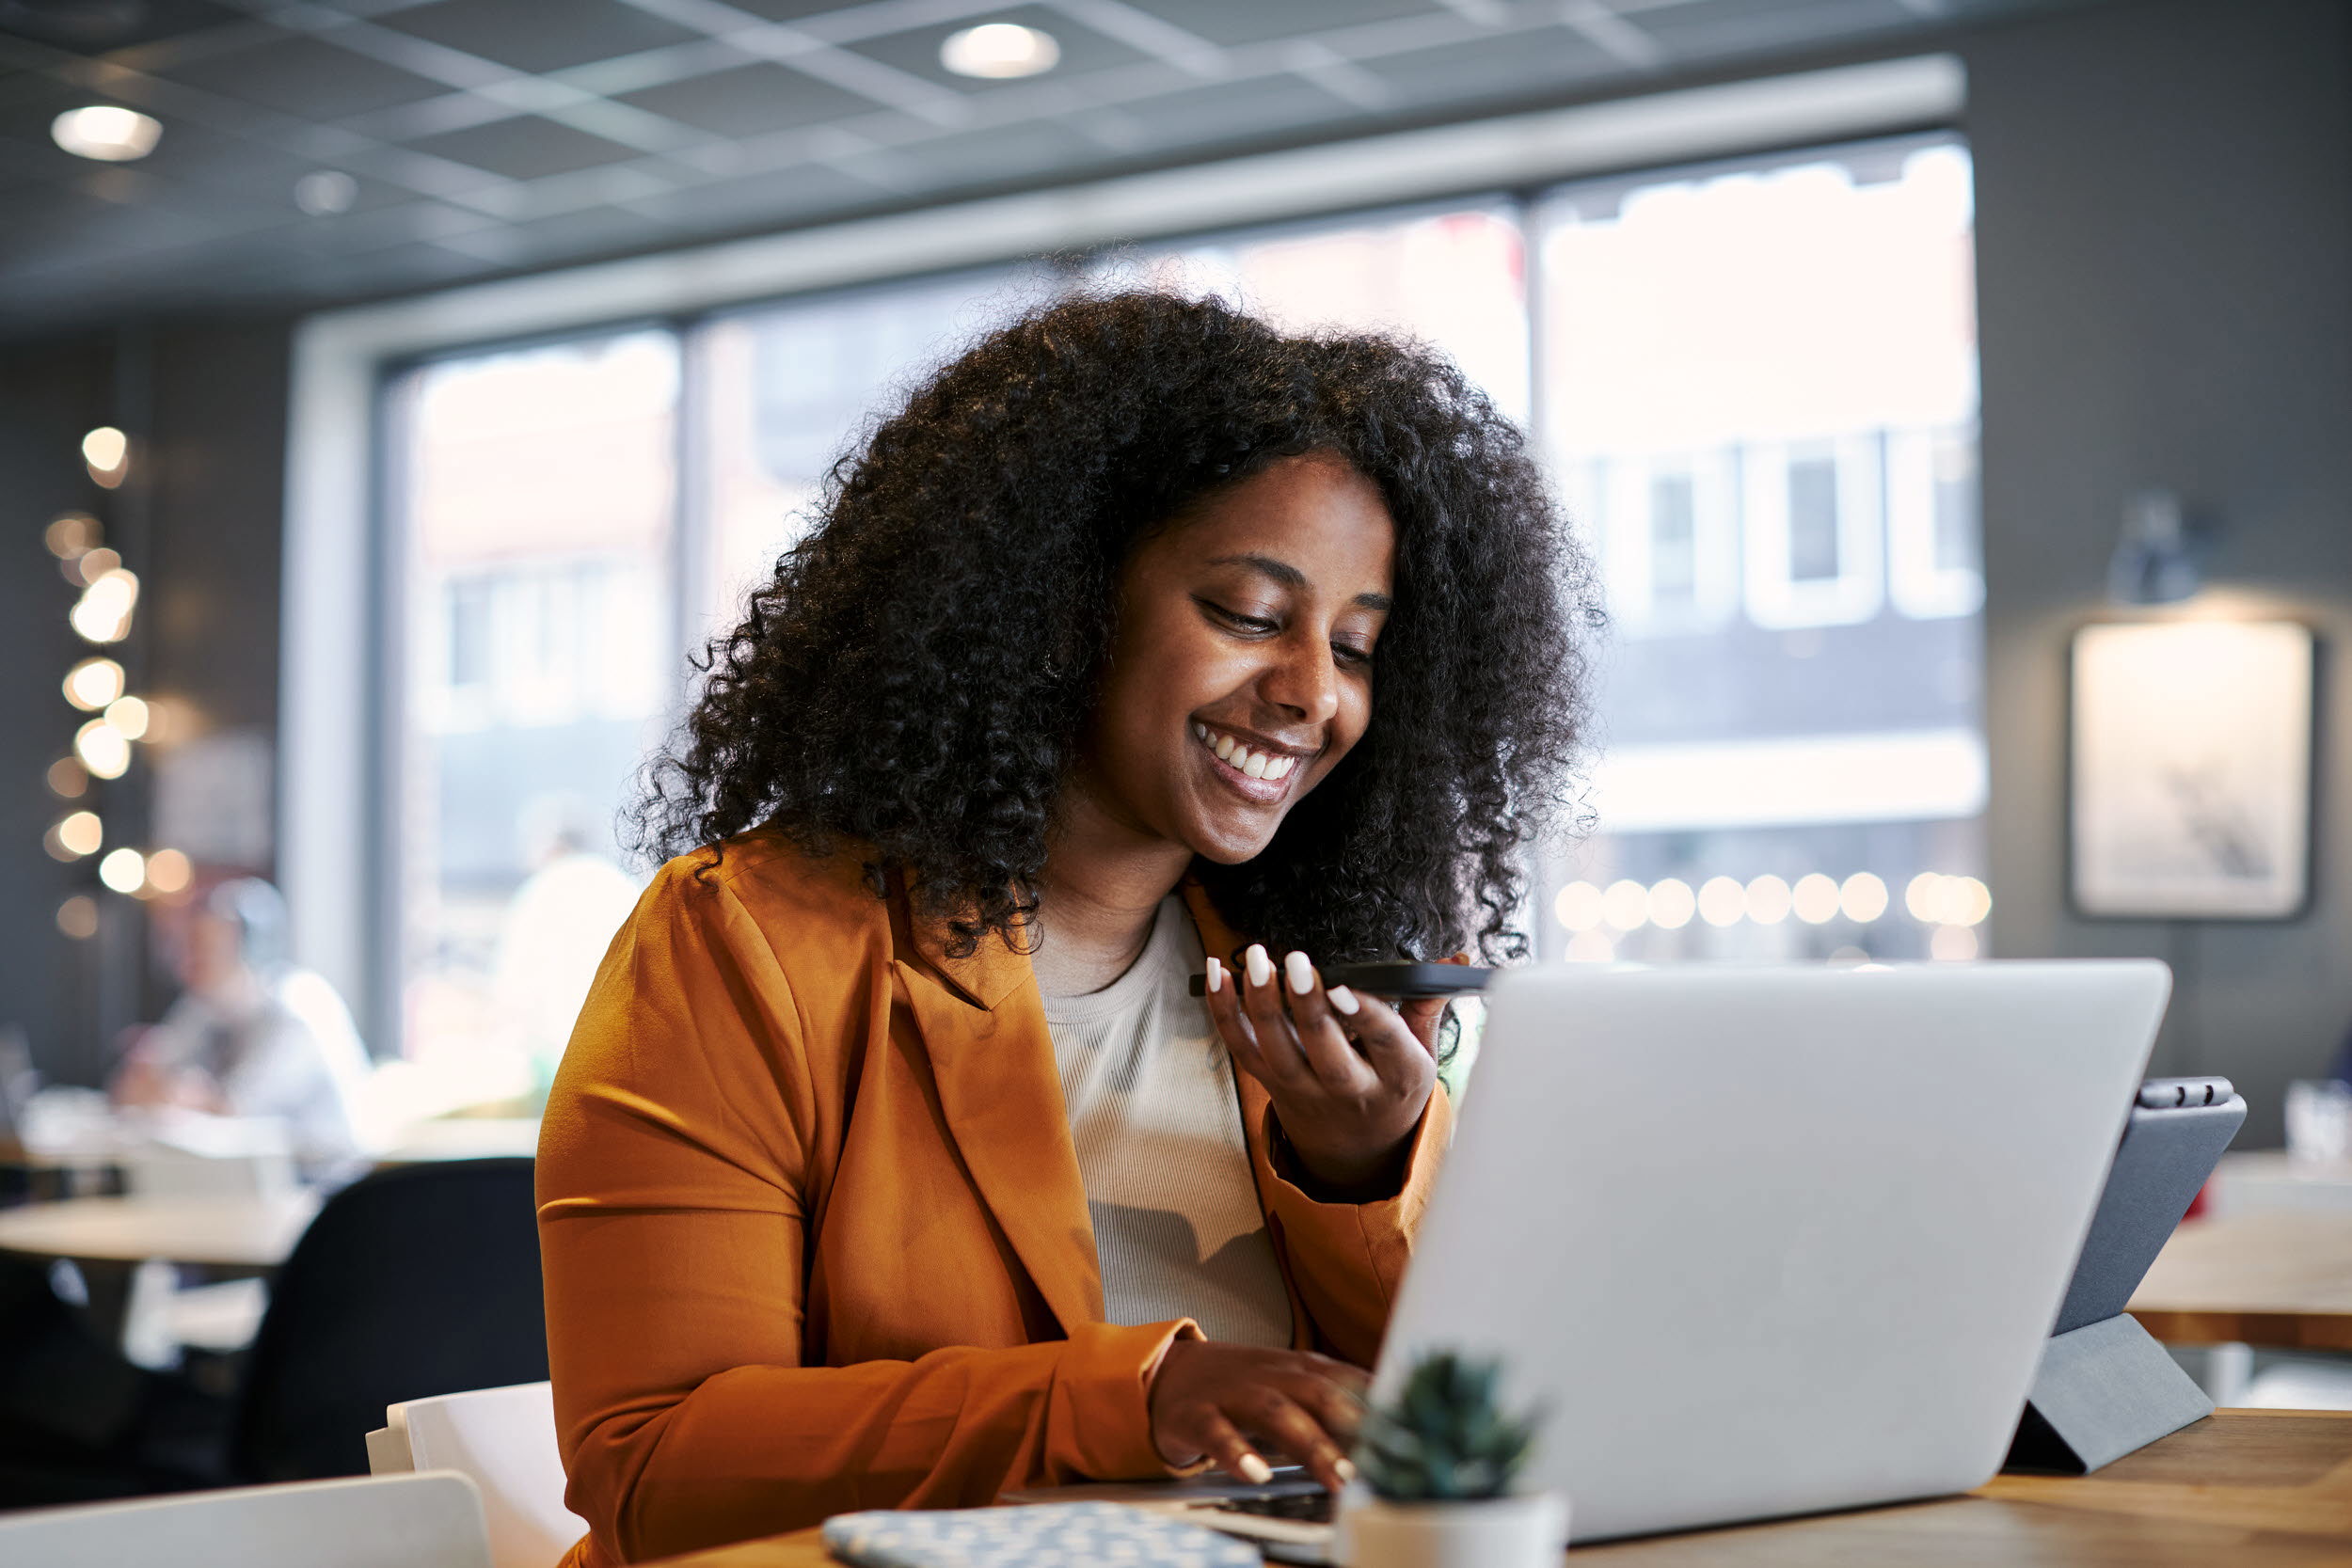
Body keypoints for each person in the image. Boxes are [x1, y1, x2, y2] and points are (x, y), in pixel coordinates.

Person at [536, 291, 1592, 1565]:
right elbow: (654, 1461)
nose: (1313, 690)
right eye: (1252, 614)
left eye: (1358, 648)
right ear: (1060, 598)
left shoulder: (1295, 982)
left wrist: (1362, 1167)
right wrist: (1138, 1397)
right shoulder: (744, 943)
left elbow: (1446, 1438)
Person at [110, 876, 370, 1174]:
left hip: (320, 1184)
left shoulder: (296, 1007)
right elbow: (137, 1085)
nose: (190, 961)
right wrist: (161, 1086)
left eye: (208, 947)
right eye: (189, 946)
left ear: (253, 949)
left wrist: (179, 1094)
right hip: (248, 1179)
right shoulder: (202, 1006)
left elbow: (233, 1108)